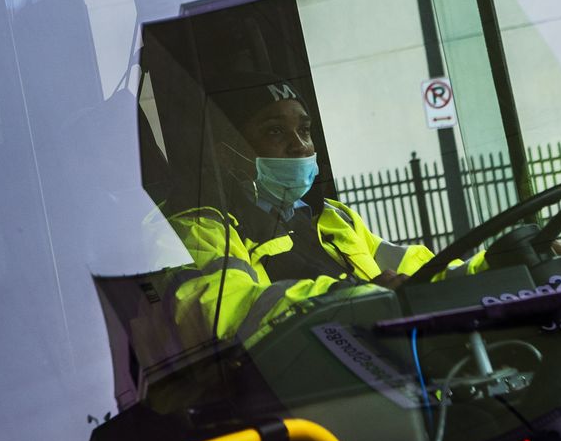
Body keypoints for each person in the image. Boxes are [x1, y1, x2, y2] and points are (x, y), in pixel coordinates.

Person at [154, 75, 484, 348]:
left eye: (305, 130)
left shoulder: (331, 216)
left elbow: (415, 272)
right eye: (275, 131)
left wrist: (492, 264)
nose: (300, 145)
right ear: (227, 154)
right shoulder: (200, 229)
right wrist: (349, 301)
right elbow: (221, 310)